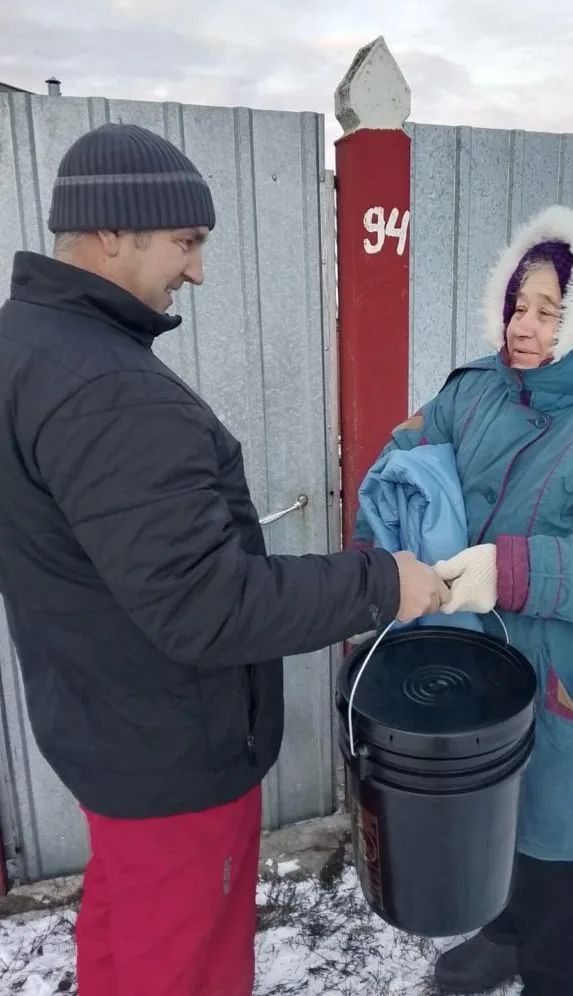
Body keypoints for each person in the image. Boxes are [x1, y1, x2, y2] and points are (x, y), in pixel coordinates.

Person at [0, 122, 448, 996]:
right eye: (186, 242)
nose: (197, 270)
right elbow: (205, 605)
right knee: (186, 964)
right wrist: (381, 582)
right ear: (113, 232)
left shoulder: (27, 345)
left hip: (104, 724)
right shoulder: (109, 391)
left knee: (128, 929)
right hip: (169, 748)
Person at [351, 205, 573, 996]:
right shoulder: (474, 391)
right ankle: (505, 931)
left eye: (550, 310)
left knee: (557, 848)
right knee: (489, 827)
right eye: (518, 304)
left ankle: (562, 970)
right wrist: (375, 562)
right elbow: (399, 467)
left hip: (565, 687)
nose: (523, 324)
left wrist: (510, 572)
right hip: (468, 662)